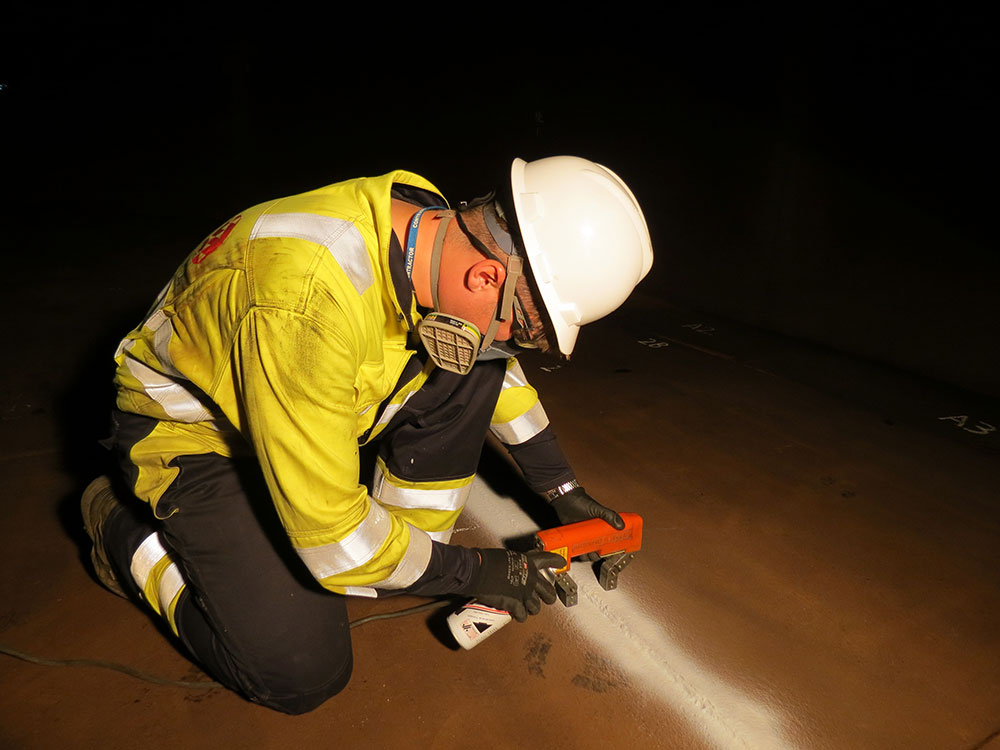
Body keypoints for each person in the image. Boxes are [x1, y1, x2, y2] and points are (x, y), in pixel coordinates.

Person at [81, 155, 653, 714]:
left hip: (297, 393)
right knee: (300, 670)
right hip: (198, 437)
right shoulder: (302, 305)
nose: (512, 345)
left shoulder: (426, 231)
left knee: (473, 364)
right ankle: (122, 528)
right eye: (521, 328)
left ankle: (394, 564)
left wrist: (560, 489)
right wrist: (475, 571)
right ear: (486, 274)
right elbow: (332, 539)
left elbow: (494, 371)